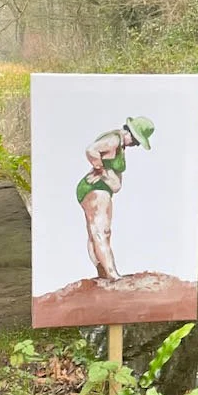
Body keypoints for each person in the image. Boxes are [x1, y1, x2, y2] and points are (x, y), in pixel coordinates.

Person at [76, 116, 154, 280]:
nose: (135, 145)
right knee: (101, 231)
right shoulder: (114, 140)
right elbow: (91, 150)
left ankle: (103, 272)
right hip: (96, 189)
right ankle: (112, 274)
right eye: (137, 141)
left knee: (96, 232)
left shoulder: (119, 143)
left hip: (102, 190)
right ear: (131, 134)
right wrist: (101, 170)